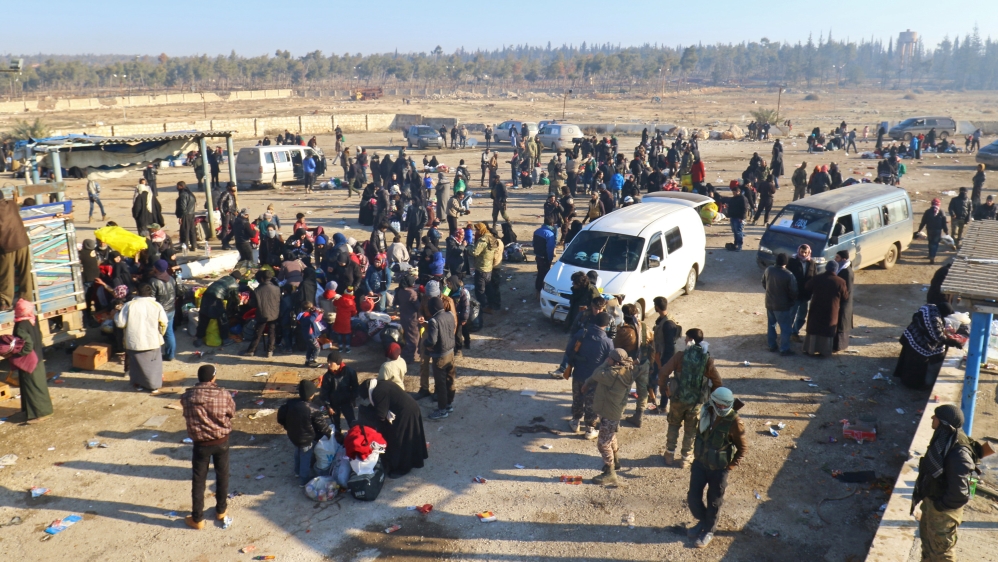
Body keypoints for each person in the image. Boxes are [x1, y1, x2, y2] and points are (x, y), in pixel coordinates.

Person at [912, 405, 980, 562]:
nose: (932, 419)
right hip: (933, 502)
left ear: (943, 423)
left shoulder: (958, 453)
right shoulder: (944, 439)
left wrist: (940, 507)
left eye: (935, 417)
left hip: (944, 511)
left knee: (942, 554)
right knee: (928, 547)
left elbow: (961, 494)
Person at [687, 387, 747, 549]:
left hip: (718, 469)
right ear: (713, 402)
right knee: (693, 498)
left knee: (714, 502)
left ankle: (709, 530)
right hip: (700, 464)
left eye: (725, 406)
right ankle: (703, 521)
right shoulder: (705, 412)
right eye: (719, 405)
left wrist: (730, 467)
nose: (722, 409)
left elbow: (742, 448)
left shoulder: (734, 422)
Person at [180, 365, 235, 530]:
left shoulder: (187, 397)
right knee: (222, 475)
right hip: (221, 441)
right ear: (213, 378)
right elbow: (231, 412)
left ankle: (198, 519)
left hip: (200, 444)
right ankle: (221, 511)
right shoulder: (223, 395)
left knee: (198, 480)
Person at [660, 328, 724, 467]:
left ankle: (669, 454)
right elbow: (718, 382)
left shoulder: (680, 356)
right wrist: (709, 395)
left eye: (686, 338)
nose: (684, 340)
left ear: (690, 340)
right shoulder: (707, 359)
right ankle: (685, 458)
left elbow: (664, 372)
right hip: (696, 402)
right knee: (691, 430)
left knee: (673, 425)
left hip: (677, 399)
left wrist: (664, 389)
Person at [581, 348, 635, 486]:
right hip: (614, 411)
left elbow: (597, 373)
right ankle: (615, 460)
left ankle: (610, 472)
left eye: (609, 358)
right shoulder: (626, 369)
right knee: (610, 436)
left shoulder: (612, 373)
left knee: (603, 443)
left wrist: (605, 363)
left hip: (609, 413)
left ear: (615, 362)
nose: (607, 359)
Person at [357, 378, 428, 478]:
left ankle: (403, 468)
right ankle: (418, 458)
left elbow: (381, 415)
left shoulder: (378, 392)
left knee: (401, 439)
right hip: (411, 407)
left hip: (405, 413)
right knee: (412, 434)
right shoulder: (380, 384)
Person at [566, 311, 615, 439]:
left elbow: (569, 350)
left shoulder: (581, 334)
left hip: (578, 373)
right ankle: (589, 429)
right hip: (595, 378)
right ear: (606, 325)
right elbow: (610, 361)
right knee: (591, 402)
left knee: (577, 398)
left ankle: (575, 422)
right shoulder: (607, 342)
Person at [277, 380, 333, 486]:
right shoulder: (313, 409)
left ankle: (297, 472)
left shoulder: (290, 404)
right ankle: (304, 479)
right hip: (306, 439)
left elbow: (281, 417)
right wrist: (329, 433)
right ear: (311, 395)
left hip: (293, 435)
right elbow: (321, 425)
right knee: (305, 457)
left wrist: (287, 426)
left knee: (298, 452)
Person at [893, 303, 961, 390]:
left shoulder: (930, 307)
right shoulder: (934, 320)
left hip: (912, 333)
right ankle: (912, 384)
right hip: (919, 342)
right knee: (915, 365)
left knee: (907, 359)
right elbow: (939, 337)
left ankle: (903, 377)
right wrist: (954, 342)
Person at [116, 284, 168, 391]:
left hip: (134, 342)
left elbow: (120, 324)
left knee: (136, 367)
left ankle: (139, 385)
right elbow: (164, 323)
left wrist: (117, 314)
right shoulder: (157, 305)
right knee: (153, 366)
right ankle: (154, 386)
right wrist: (159, 335)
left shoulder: (128, 305)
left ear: (137, 292)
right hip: (153, 342)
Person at [11, 299, 53, 424]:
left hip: (29, 360)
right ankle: (34, 410)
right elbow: (38, 337)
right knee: (37, 385)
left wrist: (17, 353)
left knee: (32, 386)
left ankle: (40, 413)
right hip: (38, 358)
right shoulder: (32, 320)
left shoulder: (20, 326)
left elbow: (27, 344)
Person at [803, 261, 849, 357]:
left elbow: (807, 286)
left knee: (814, 328)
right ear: (835, 269)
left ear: (826, 268)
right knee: (827, 329)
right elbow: (845, 296)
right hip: (831, 309)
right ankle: (825, 352)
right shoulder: (840, 281)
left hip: (816, 307)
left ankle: (811, 349)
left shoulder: (817, 278)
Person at [0, 192, 34, 311]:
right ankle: (27, 297)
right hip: (22, 241)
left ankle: (5, 302)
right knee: (25, 271)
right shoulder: (12, 204)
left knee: (6, 274)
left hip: (7, 246)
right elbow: (16, 201)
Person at [424, 296, 457, 420]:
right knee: (450, 379)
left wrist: (425, 344)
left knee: (441, 383)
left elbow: (432, 341)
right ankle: (449, 404)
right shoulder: (449, 315)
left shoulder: (434, 321)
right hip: (450, 353)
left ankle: (442, 410)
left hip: (440, 356)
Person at [762, 253, 798, 355]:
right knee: (786, 328)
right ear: (786, 263)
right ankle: (784, 349)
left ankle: (772, 345)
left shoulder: (768, 270)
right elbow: (793, 291)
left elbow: (763, 283)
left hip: (769, 303)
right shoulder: (788, 275)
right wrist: (791, 301)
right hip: (782, 306)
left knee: (771, 325)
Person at [194, 272, 241, 347]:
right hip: (216, 300)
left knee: (203, 318)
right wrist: (239, 302)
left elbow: (224, 291)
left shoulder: (224, 278)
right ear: (237, 279)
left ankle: (199, 339)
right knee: (223, 320)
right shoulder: (235, 284)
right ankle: (225, 340)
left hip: (206, 296)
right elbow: (235, 298)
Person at [319, 351, 359, 438]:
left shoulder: (350, 372)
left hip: (347, 403)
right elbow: (324, 393)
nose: (328, 364)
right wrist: (328, 406)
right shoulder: (327, 376)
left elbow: (355, 387)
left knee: (352, 423)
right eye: (328, 362)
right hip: (334, 405)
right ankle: (338, 441)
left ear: (337, 363)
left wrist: (353, 399)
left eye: (330, 362)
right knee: (335, 426)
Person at [243, 269, 280, 358]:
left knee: (258, 333)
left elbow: (254, 304)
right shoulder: (277, 289)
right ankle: (270, 351)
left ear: (262, 278)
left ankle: (251, 350)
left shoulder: (257, 290)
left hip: (262, 314)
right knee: (272, 332)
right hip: (274, 314)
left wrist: (247, 302)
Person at [149, 260, 179, 361]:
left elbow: (151, 299)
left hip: (160, 312)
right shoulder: (171, 279)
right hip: (171, 310)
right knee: (169, 333)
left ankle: (154, 356)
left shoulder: (153, 281)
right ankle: (170, 355)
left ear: (156, 268)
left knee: (155, 334)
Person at [787, 244, 817, 343]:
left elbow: (814, 277)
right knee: (791, 314)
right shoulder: (792, 261)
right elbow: (787, 277)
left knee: (802, 316)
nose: (803, 254)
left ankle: (795, 332)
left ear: (809, 253)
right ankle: (787, 333)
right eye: (802, 252)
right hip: (795, 294)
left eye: (805, 252)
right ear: (798, 251)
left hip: (806, 295)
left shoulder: (812, 263)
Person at [471, 223, 498, 313]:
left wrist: (467, 248)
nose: (476, 232)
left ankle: (484, 306)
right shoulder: (491, 237)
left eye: (477, 230)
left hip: (481, 268)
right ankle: (492, 304)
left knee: (480, 289)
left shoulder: (483, 240)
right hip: (489, 267)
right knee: (489, 287)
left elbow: (475, 252)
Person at [833, 251, 854, 352]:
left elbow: (847, 290)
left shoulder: (846, 272)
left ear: (843, 259)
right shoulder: (843, 269)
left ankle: (839, 346)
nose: (835, 259)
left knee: (841, 324)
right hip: (842, 302)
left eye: (837, 257)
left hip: (844, 303)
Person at [917, 198, 949, 264]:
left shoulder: (927, 212)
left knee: (930, 243)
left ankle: (930, 255)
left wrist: (920, 229)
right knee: (935, 244)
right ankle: (932, 256)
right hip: (938, 231)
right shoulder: (941, 212)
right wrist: (946, 231)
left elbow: (923, 221)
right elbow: (944, 223)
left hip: (930, 230)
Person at [720, 184, 748, 251]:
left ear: (738, 191)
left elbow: (744, 209)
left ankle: (739, 245)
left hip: (739, 218)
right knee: (735, 232)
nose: (733, 193)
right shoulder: (733, 199)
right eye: (733, 192)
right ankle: (736, 244)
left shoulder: (743, 199)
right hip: (733, 217)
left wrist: (742, 218)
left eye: (734, 192)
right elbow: (731, 206)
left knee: (738, 232)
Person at [532, 221, 556, 293]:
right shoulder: (550, 234)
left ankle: (537, 290)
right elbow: (550, 248)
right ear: (551, 224)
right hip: (545, 258)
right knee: (544, 276)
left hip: (538, 256)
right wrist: (550, 259)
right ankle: (540, 291)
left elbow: (533, 243)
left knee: (539, 273)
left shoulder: (536, 231)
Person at [175, 181, 198, 251]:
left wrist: (181, 217)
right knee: (192, 230)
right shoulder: (190, 193)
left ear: (180, 186)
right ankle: (194, 246)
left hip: (186, 214)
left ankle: (185, 246)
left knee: (185, 230)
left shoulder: (183, 194)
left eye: (177, 186)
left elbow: (183, 206)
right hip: (192, 213)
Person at [217, 184, 238, 250]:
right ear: (229, 187)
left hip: (232, 213)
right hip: (227, 213)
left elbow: (233, 205)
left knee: (235, 228)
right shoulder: (226, 193)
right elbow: (220, 202)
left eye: (235, 186)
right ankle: (224, 244)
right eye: (233, 186)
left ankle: (227, 240)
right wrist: (223, 212)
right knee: (225, 228)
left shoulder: (232, 194)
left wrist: (236, 211)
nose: (234, 187)